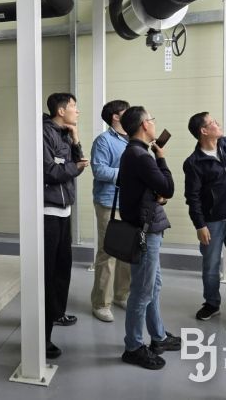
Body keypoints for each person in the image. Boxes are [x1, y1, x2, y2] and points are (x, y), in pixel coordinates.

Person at [118, 106, 181, 370]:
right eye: (152, 120)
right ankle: (133, 347)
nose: (154, 124)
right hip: (145, 231)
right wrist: (162, 158)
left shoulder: (133, 152)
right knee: (142, 291)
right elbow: (168, 187)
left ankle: (158, 337)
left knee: (153, 286)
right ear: (144, 125)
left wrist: (155, 196)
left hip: (145, 226)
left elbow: (138, 189)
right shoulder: (142, 156)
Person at [182, 113, 226, 337]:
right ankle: (211, 303)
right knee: (211, 267)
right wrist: (199, 225)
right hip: (212, 223)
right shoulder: (193, 163)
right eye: (212, 122)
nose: (217, 123)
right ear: (203, 131)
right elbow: (192, 197)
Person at [42, 93, 89, 359]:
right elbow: (49, 172)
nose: (77, 111)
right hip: (47, 211)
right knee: (48, 275)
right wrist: (74, 166)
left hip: (64, 209)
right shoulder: (45, 133)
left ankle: (57, 313)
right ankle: (43, 337)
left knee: (63, 269)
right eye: (74, 107)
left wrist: (76, 138)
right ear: (61, 110)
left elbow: (78, 163)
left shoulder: (64, 133)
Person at [90, 100, 131, 323]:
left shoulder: (133, 139)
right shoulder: (103, 140)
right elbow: (99, 170)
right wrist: (128, 172)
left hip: (130, 202)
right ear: (115, 116)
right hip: (109, 203)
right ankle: (100, 303)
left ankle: (121, 295)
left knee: (126, 252)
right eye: (126, 111)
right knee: (108, 253)